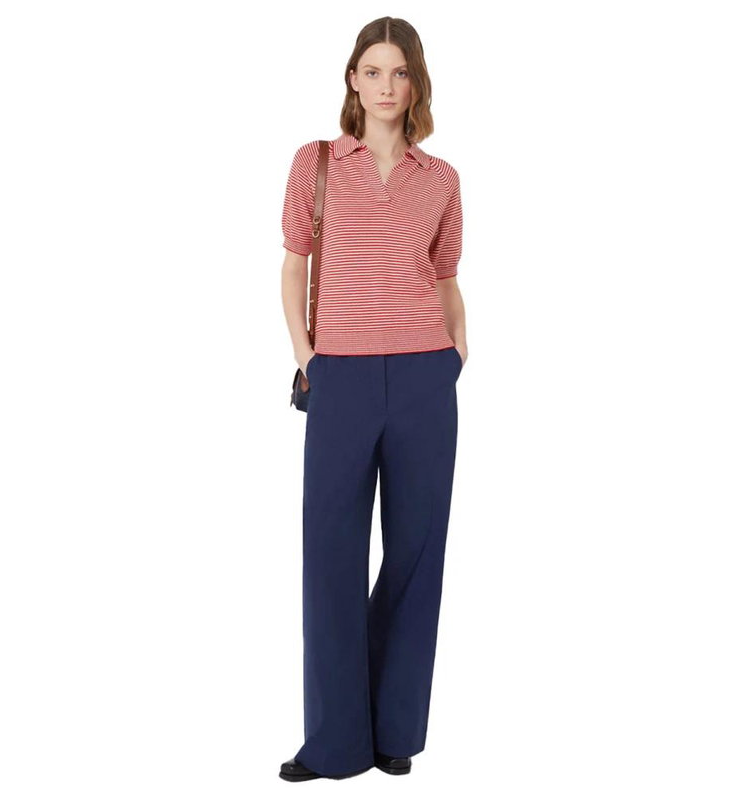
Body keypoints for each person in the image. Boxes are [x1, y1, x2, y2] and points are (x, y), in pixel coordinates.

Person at [278, 16, 467, 782]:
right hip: (342, 377)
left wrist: (456, 351)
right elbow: (295, 265)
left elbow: (446, 276)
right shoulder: (317, 163)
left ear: (415, 83)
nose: (387, 86)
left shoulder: (442, 178)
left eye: (400, 72)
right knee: (330, 554)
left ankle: (394, 731)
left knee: (417, 553)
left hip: (425, 376)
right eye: (373, 70)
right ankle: (333, 743)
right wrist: (308, 358)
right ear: (353, 80)